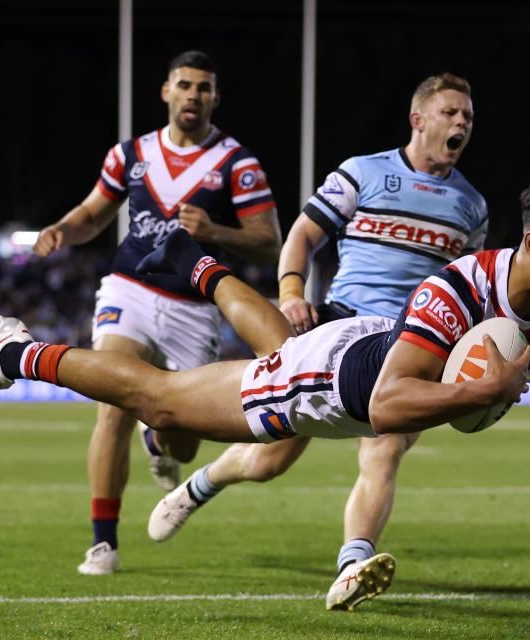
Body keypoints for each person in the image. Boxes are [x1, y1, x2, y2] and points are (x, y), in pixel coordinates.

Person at [0, 175, 530, 607]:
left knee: (222, 391)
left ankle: (197, 268)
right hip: (329, 383)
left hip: (347, 358)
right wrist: (485, 392)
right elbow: (388, 406)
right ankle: (13, 354)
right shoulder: (457, 289)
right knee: (162, 402)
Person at [146, 72, 487, 611]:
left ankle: (353, 564)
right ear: (418, 120)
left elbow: (465, 288)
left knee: (385, 449)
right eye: (451, 112)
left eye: (467, 115)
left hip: (413, 345)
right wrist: (290, 293)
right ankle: (199, 485)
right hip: (342, 329)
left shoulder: (473, 206)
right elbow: (303, 234)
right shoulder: (364, 172)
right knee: (268, 461)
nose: (462, 122)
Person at [30, 50, 282, 574]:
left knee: (183, 444)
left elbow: (268, 242)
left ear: (215, 97)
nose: (194, 95)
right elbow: (93, 214)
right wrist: (62, 230)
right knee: (112, 404)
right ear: (166, 91)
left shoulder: (237, 162)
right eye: (185, 85)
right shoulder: (132, 154)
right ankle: (103, 543)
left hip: (195, 303)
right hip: (131, 289)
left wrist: (215, 234)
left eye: (204, 88)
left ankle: (158, 438)